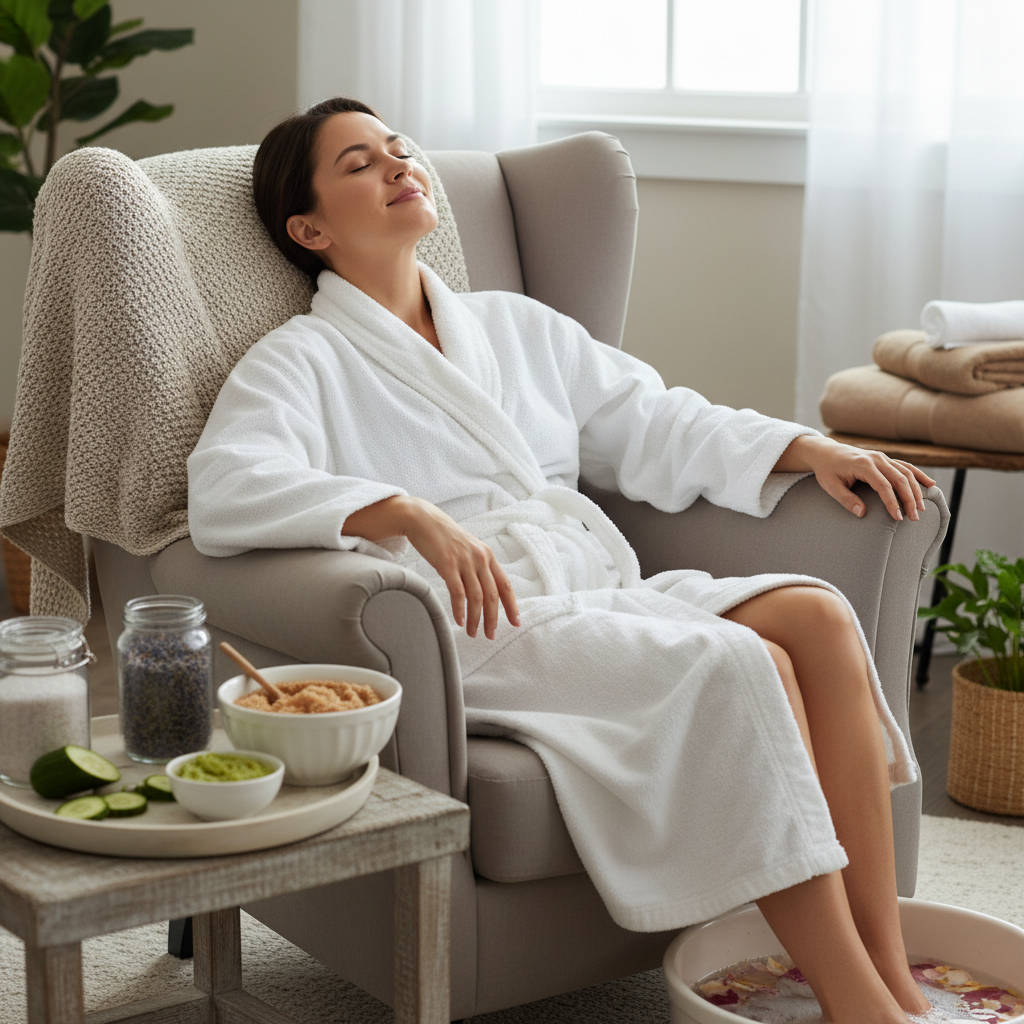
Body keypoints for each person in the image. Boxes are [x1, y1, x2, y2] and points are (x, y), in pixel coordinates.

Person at [188, 98, 954, 1024]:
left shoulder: (514, 326)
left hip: (591, 585)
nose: (399, 166)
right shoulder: (299, 360)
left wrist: (806, 449)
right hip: (480, 620)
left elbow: (658, 419)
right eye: (360, 164)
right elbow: (227, 485)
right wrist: (402, 511)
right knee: (745, 661)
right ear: (309, 228)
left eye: (398, 149)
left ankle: (889, 968)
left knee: (819, 618)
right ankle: (859, 1008)